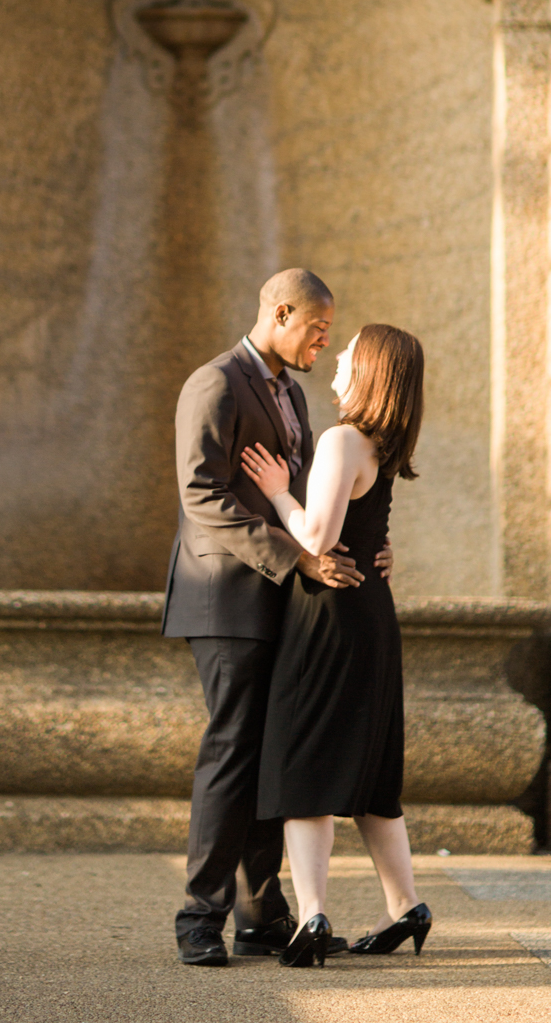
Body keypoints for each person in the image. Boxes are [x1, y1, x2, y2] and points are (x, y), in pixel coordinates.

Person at [162, 269, 394, 967]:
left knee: (273, 755)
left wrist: (365, 545)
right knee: (233, 752)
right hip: (224, 597)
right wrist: (296, 561)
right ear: (280, 310)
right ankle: (199, 915)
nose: (324, 342)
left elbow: (309, 499)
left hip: (283, 600)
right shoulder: (214, 383)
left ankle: (260, 913)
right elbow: (201, 494)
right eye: (318, 329)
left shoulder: (289, 392)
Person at [242, 322, 432, 969]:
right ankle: (405, 907)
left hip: (329, 616)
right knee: (374, 775)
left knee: (306, 764)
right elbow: (366, 528)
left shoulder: (342, 438)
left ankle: (314, 917)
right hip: (373, 613)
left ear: (371, 370)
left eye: (350, 351)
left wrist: (275, 493)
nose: (340, 357)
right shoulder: (383, 445)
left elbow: (317, 538)